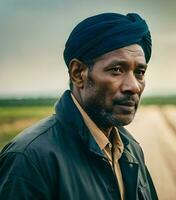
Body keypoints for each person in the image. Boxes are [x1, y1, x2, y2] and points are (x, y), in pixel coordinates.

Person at [0, 13, 158, 200]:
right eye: (116, 70)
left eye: (139, 72)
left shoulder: (131, 149)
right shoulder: (29, 159)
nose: (133, 86)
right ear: (78, 74)